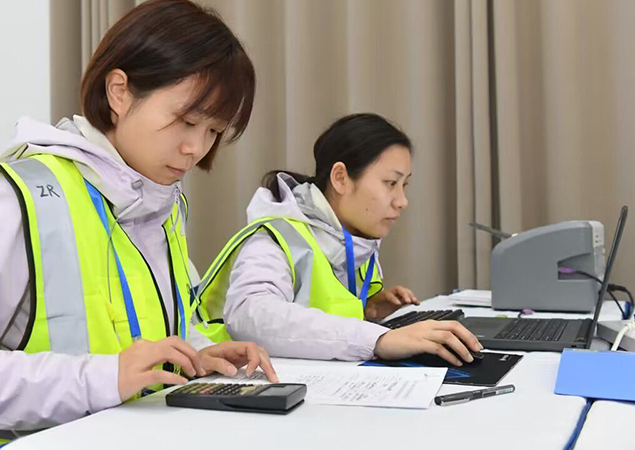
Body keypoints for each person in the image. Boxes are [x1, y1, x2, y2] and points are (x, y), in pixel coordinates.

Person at [0, 1, 276, 449]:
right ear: (119, 92)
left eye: (213, 131)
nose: (196, 148)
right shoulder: (19, 200)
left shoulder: (162, 204)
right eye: (186, 121)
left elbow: (132, 334)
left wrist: (195, 352)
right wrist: (102, 378)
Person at [194, 113, 483, 365]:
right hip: (225, 386)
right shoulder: (275, 236)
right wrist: (377, 339)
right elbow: (249, 315)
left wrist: (368, 311)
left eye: (404, 185)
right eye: (390, 183)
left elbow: (319, 313)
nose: (402, 201)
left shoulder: (355, 239)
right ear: (341, 178)